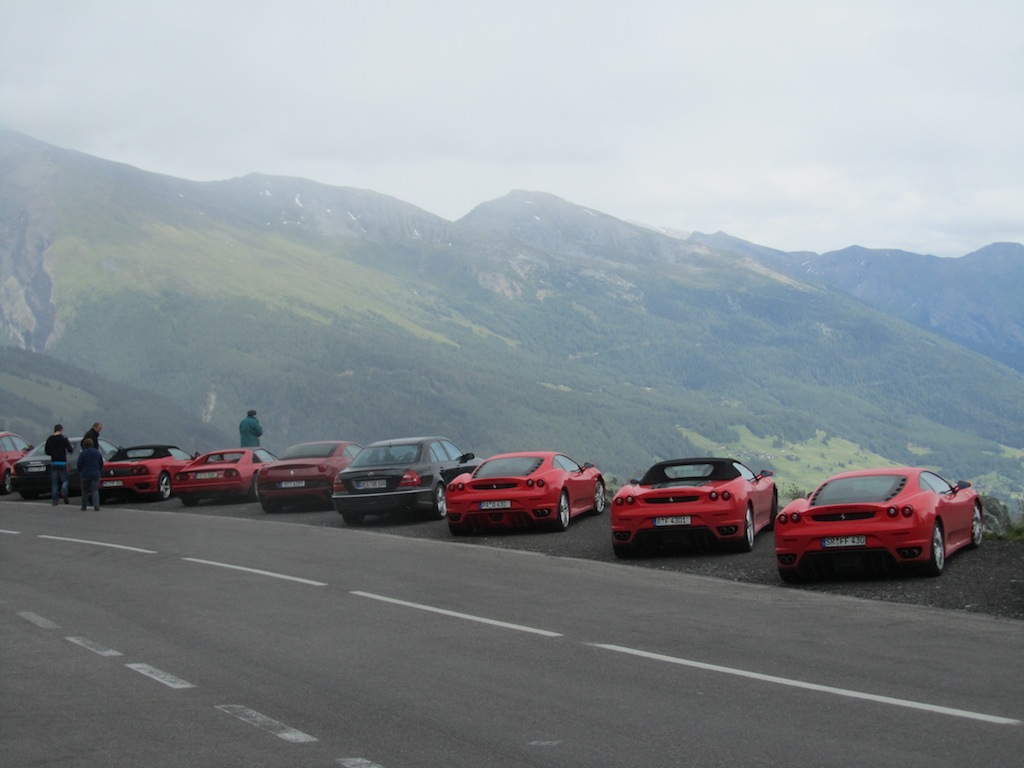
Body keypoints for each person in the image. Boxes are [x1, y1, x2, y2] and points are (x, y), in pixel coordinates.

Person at [44, 424, 74, 505]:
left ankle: (55, 500)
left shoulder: (50, 439)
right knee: (65, 480)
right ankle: (64, 491)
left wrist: (53, 453)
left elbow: (46, 451)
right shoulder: (64, 438)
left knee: (54, 482)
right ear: (61, 430)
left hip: (54, 462)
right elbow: (70, 449)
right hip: (63, 462)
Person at [76, 437, 104, 511]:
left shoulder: (83, 453)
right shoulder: (97, 453)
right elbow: (101, 463)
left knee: (85, 490)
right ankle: (96, 506)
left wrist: (81, 471)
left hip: (85, 474)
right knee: (94, 490)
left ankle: (83, 506)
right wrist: (98, 470)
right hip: (95, 473)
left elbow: (79, 464)